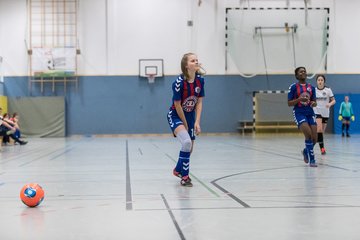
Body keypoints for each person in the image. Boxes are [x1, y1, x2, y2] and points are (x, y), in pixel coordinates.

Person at [167, 53, 205, 187]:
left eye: (197, 60)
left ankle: (178, 170)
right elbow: (177, 105)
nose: (196, 62)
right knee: (187, 142)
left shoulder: (200, 81)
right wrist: (184, 123)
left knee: (189, 148)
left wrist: (196, 122)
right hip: (176, 115)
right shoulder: (179, 83)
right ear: (186, 65)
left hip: (190, 116)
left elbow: (199, 103)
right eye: (193, 60)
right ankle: (185, 177)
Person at [288, 67, 318, 167]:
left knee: (315, 139)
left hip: (310, 113)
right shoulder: (293, 87)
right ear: (297, 75)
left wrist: (314, 103)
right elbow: (289, 103)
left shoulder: (311, 87)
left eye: (305, 71)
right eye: (301, 71)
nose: (304, 72)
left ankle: (305, 151)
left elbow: (314, 101)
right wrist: (299, 99)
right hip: (299, 113)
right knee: (308, 134)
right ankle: (312, 160)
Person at [313, 74, 336, 154]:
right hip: (317, 111)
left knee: (321, 132)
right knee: (319, 129)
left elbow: (333, 100)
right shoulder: (314, 90)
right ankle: (322, 149)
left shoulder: (328, 90)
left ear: (324, 81)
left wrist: (329, 104)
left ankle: (312, 146)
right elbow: (310, 101)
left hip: (325, 113)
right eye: (318, 80)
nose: (320, 81)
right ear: (316, 81)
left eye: (321, 80)